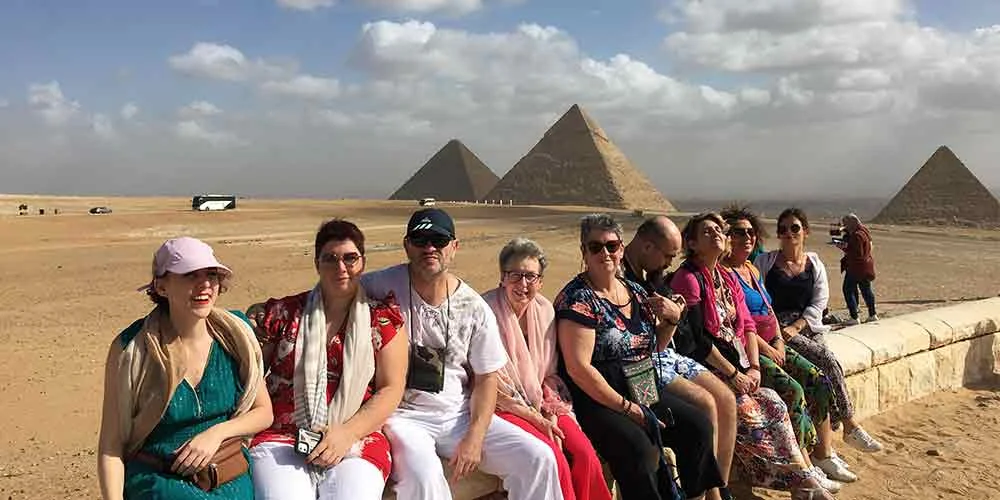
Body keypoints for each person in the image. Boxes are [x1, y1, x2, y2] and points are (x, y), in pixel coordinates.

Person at [361, 208, 562, 500]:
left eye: (439, 241)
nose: (430, 248)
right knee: (424, 479)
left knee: (539, 458)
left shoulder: (473, 307)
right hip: (404, 416)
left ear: (454, 247)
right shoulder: (379, 285)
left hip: (458, 414)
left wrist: (475, 437)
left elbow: (486, 379)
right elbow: (330, 293)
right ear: (407, 245)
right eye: (420, 240)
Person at [556, 213, 725, 500]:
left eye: (611, 246)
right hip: (600, 396)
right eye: (595, 247)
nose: (605, 253)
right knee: (640, 449)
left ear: (622, 248)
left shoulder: (635, 291)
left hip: (641, 382)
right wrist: (627, 408)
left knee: (697, 427)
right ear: (584, 252)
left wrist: (671, 321)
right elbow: (579, 369)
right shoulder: (577, 299)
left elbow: (653, 347)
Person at [670, 213, 838, 497]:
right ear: (692, 243)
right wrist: (736, 374)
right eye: (708, 232)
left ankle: (802, 477)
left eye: (719, 230)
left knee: (775, 402)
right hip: (708, 367)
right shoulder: (688, 279)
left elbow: (746, 325)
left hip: (739, 365)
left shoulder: (725, 277)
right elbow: (697, 340)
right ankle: (792, 482)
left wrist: (754, 368)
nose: (718, 235)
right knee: (750, 412)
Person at [97, 237, 273, 500]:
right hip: (160, 484)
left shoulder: (236, 335)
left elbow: (263, 412)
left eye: (211, 275)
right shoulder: (133, 348)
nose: (205, 285)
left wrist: (216, 434)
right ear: (162, 286)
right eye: (190, 275)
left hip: (230, 479)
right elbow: (111, 446)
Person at [246, 219, 408, 499]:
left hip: (357, 436)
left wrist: (346, 434)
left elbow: (391, 388)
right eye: (330, 259)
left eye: (350, 258)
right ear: (317, 264)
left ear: (363, 263)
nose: (341, 268)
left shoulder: (381, 320)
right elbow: (253, 373)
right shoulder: (286, 313)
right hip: (284, 435)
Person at [718, 207, 847, 484]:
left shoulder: (752, 268)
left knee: (818, 379)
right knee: (793, 390)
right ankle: (802, 469)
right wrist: (768, 348)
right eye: (738, 233)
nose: (746, 238)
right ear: (726, 237)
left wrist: (778, 339)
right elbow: (743, 326)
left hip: (775, 342)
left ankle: (823, 453)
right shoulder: (725, 274)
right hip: (751, 349)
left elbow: (769, 309)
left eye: (751, 232)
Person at [484, 237, 613, 500]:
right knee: (554, 458)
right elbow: (491, 385)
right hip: (503, 407)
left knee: (585, 456)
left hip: (544, 400)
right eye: (515, 275)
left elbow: (550, 373)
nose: (523, 285)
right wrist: (537, 419)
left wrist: (550, 410)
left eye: (531, 277)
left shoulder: (545, 312)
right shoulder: (484, 311)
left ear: (540, 281)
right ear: (502, 277)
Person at [621, 216, 738, 496]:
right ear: (648, 247)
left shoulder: (650, 274)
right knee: (705, 407)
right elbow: (640, 348)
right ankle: (707, 493)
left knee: (726, 400)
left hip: (660, 357)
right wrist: (671, 320)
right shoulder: (619, 280)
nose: (669, 264)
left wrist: (674, 316)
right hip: (634, 368)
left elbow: (675, 335)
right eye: (668, 256)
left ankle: (717, 491)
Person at [754, 208, 884, 457]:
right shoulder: (765, 262)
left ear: (805, 231)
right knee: (826, 361)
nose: (788, 233)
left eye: (794, 228)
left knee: (823, 368)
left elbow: (819, 301)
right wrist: (782, 330)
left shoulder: (813, 262)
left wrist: (797, 326)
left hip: (807, 325)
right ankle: (848, 425)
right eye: (783, 229)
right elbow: (759, 300)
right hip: (778, 328)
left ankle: (827, 447)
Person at [837, 214, 878, 325]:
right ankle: (872, 314)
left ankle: (854, 317)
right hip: (865, 267)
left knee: (847, 290)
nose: (845, 226)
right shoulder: (864, 231)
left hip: (856, 268)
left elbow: (857, 253)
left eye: (846, 224)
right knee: (866, 290)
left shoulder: (857, 236)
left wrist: (844, 247)